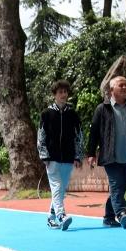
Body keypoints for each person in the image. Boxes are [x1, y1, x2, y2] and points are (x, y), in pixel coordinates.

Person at [86, 76, 126, 229]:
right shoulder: (102, 109)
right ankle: (122, 213)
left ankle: (108, 217)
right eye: (121, 85)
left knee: (121, 188)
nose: (125, 87)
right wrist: (91, 153)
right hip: (111, 156)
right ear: (111, 89)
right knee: (116, 186)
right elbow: (94, 133)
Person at [37, 80, 84, 230]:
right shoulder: (46, 114)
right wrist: (44, 155)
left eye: (65, 92)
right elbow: (41, 135)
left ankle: (51, 218)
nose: (63, 95)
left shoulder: (73, 114)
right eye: (60, 92)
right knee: (57, 187)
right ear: (54, 95)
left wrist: (78, 156)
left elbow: (79, 136)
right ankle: (61, 216)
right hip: (52, 158)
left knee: (61, 190)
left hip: (68, 157)